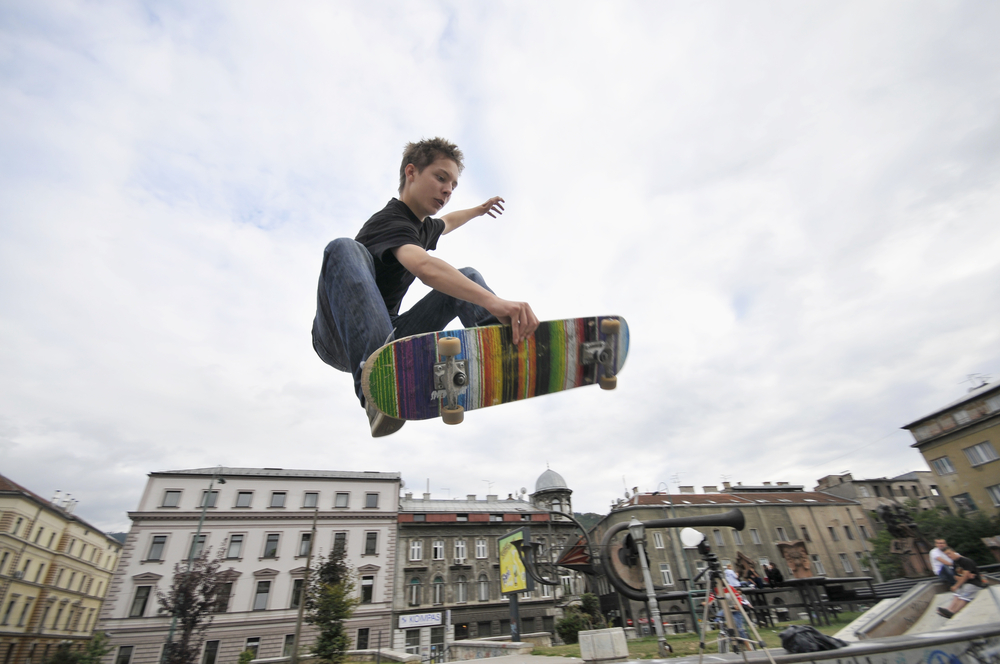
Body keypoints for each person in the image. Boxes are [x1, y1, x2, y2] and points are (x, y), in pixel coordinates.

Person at [312, 138, 539, 437]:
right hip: (338, 335)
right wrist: (494, 302)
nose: (447, 190)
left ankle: (502, 349)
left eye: (454, 185)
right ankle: (376, 393)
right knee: (343, 248)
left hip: (386, 336)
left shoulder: (422, 227)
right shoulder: (390, 221)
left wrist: (478, 210)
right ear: (411, 173)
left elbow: (448, 222)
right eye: (441, 178)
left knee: (467, 275)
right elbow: (425, 267)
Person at [936, 548, 986, 618]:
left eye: (949, 553)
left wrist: (959, 583)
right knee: (957, 593)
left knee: (964, 593)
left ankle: (954, 612)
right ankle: (949, 609)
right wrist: (965, 577)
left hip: (974, 583)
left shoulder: (966, 561)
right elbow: (956, 577)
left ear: (954, 552)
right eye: (946, 555)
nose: (948, 556)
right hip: (965, 583)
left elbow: (965, 576)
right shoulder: (954, 563)